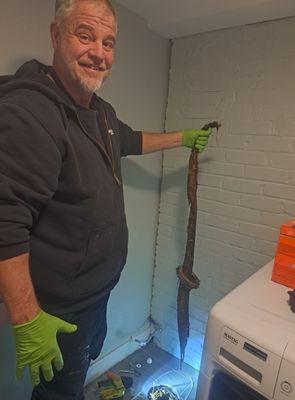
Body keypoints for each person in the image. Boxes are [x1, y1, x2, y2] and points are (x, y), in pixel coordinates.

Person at [0, 0, 212, 399]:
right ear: (55, 35)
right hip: (61, 310)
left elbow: (128, 141)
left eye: (108, 42)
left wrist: (181, 138)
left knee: (78, 371)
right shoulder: (32, 112)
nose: (99, 52)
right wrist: (27, 319)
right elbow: (4, 219)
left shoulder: (99, 112)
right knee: (56, 393)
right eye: (85, 35)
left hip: (97, 291)